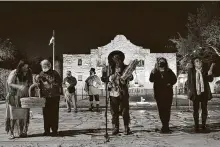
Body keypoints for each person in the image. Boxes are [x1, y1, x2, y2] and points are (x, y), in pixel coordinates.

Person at [102, 50, 133, 135]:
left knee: (125, 111)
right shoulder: (109, 68)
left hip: (123, 92)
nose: (116, 60)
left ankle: (126, 127)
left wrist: (128, 77)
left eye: (118, 58)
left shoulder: (126, 67)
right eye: (114, 58)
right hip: (113, 92)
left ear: (121, 59)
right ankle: (115, 127)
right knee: (114, 111)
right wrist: (107, 77)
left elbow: (131, 77)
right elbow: (103, 78)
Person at [5, 60, 33, 139]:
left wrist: (33, 85)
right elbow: (9, 83)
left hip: (24, 97)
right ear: (20, 66)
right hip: (14, 97)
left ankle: (22, 131)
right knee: (13, 115)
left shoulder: (29, 73)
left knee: (23, 115)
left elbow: (30, 83)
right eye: (25, 67)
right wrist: (19, 86)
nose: (26, 69)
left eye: (27, 67)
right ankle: (11, 132)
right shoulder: (14, 72)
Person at [149, 57, 177, 134]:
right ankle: (164, 125)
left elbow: (174, 79)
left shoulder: (169, 71)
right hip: (158, 94)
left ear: (165, 63)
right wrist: (152, 72)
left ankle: (166, 126)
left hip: (168, 93)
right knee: (161, 110)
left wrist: (170, 83)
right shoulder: (155, 71)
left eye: (163, 61)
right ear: (158, 63)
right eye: (160, 62)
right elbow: (151, 80)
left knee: (167, 110)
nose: (161, 63)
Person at [187, 57, 214, 132]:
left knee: (204, 109)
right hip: (195, 93)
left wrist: (210, 74)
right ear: (194, 63)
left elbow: (210, 80)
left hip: (204, 93)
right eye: (197, 61)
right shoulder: (191, 70)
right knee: (195, 110)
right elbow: (189, 82)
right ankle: (196, 125)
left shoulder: (205, 70)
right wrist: (189, 91)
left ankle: (203, 125)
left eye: (200, 61)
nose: (199, 62)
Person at [38, 59, 62, 136]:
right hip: (45, 97)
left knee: (54, 114)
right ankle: (47, 130)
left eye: (45, 65)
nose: (43, 67)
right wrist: (37, 79)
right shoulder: (41, 73)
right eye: (42, 65)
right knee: (46, 114)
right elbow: (39, 84)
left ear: (49, 65)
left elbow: (59, 83)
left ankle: (54, 130)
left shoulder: (55, 73)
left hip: (54, 96)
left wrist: (51, 85)